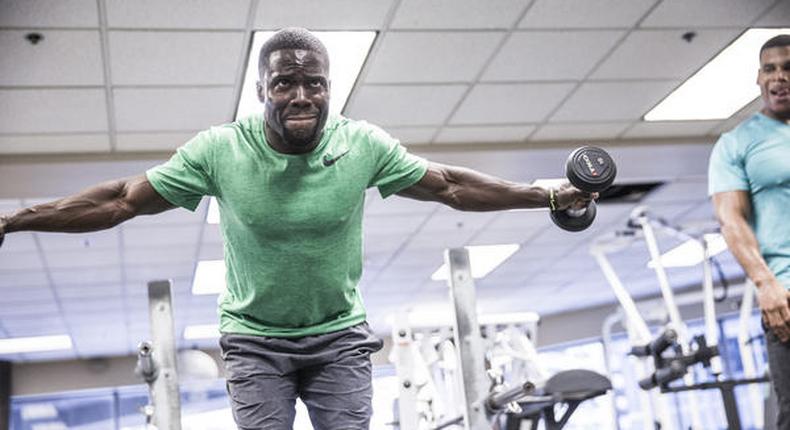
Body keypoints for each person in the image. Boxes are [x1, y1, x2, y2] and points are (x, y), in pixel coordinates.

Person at [0, 28, 594, 429]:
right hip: (255, 339)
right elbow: (122, 200)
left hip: (339, 336)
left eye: (315, 83)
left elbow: (451, 186)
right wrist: (14, 218)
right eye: (285, 82)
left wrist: (545, 196)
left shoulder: (361, 144)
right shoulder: (219, 150)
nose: (301, 95)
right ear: (262, 89)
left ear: (329, 88)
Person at [709, 34, 790, 430]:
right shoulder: (736, 143)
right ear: (759, 78)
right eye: (770, 69)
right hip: (787, 296)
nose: (780, 77)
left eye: (788, 68)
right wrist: (765, 282)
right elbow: (731, 219)